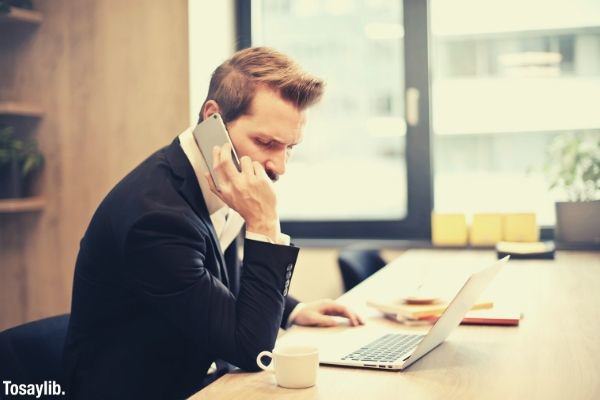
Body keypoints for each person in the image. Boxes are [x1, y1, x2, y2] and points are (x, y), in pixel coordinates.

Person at [63, 47, 363, 399]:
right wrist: (264, 225)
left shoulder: (218, 174)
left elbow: (215, 269)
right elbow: (252, 350)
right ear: (212, 120)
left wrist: (292, 309)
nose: (279, 167)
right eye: (265, 142)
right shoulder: (156, 218)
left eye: (289, 148)